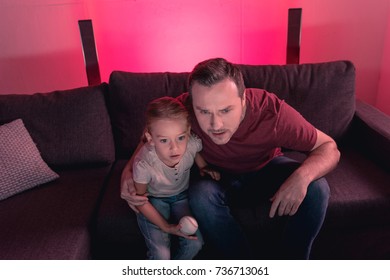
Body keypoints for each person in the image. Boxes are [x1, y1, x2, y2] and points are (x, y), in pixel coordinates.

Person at [121, 58, 340, 259]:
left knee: (317, 187)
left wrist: (302, 176)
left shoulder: (272, 113)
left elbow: (329, 147)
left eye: (226, 110)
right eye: (204, 112)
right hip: (217, 176)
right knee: (199, 195)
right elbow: (149, 140)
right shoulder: (183, 109)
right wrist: (127, 175)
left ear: (243, 100)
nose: (215, 125)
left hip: (265, 168)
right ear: (192, 103)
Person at [131, 96, 220, 260]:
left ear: (188, 132)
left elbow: (195, 152)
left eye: (180, 137)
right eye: (164, 140)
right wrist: (166, 227)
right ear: (151, 139)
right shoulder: (143, 163)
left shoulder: (191, 144)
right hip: (154, 200)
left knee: (196, 243)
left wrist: (203, 166)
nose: (175, 147)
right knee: (161, 254)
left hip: (181, 197)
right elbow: (140, 200)